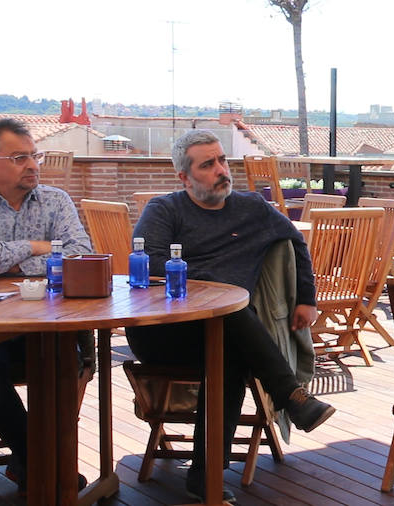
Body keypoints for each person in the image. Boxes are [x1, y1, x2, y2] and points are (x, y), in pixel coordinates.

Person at [127, 130, 335, 502]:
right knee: (232, 311)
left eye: (222, 160)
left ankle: (203, 477)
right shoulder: (165, 210)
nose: (222, 170)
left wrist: (307, 298)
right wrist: (211, 285)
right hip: (164, 330)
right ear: (185, 178)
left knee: (228, 341)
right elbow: (149, 265)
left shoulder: (251, 208)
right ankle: (290, 394)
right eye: (208, 165)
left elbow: (296, 243)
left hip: (225, 331)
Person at [0, 118, 94, 493]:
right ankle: (40, 460)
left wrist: (1, 256)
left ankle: (33, 464)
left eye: (34, 155)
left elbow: (79, 256)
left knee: (65, 357)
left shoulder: (55, 201)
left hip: (43, 323)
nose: (33, 165)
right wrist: (35, 246)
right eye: (20, 157)